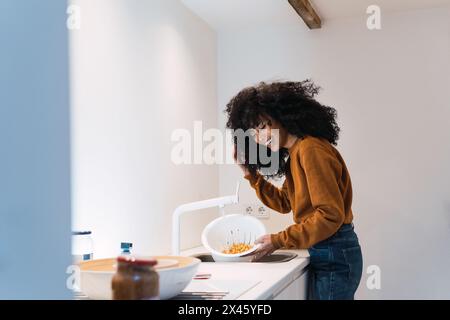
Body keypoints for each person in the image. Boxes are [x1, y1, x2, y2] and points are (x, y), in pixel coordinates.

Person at [225, 80, 363, 300]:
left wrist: (278, 240)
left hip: (334, 251)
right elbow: (284, 202)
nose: (261, 137)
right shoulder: (296, 154)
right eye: (255, 133)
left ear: (283, 115)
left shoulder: (310, 150)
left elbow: (330, 216)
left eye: (263, 126)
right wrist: (250, 174)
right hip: (329, 250)